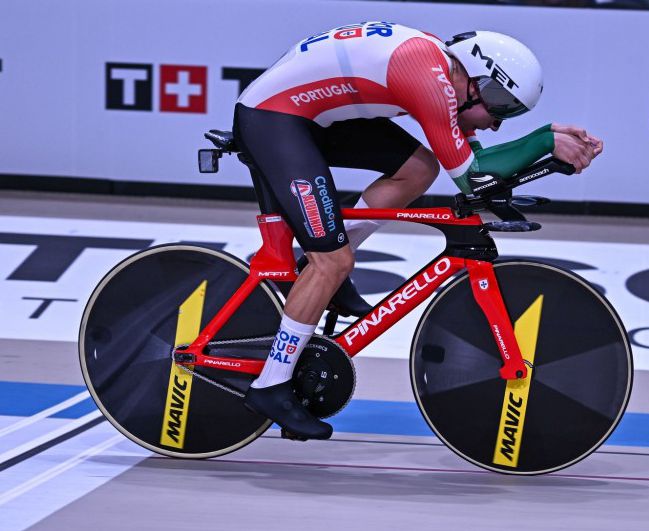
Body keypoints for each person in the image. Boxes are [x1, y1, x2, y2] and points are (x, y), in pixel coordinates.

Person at [233, 22, 603, 440]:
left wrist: (541, 144)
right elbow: (472, 177)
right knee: (333, 260)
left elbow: (469, 155)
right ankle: (271, 384)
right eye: (501, 108)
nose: (498, 124)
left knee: (418, 168)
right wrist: (542, 141)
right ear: (480, 85)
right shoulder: (426, 75)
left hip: (313, 115)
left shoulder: (445, 73)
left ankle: (315, 269)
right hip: (275, 119)